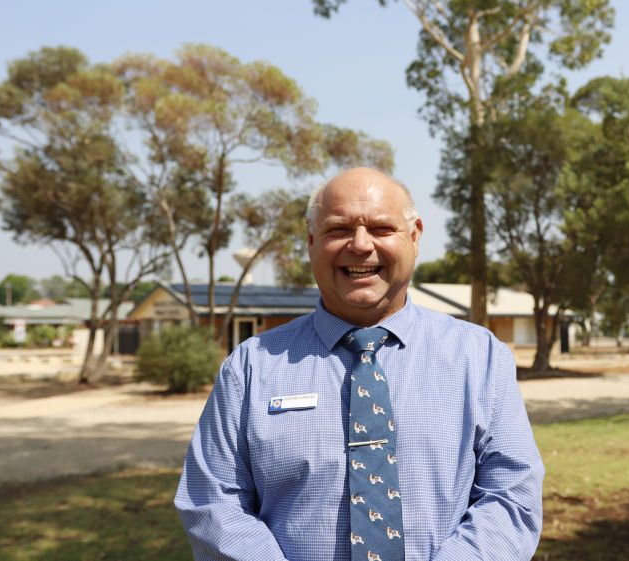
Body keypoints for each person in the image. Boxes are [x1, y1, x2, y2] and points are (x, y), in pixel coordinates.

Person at [175, 167, 544, 560]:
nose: (361, 245)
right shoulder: (250, 368)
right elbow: (214, 503)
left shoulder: (481, 358)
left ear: (415, 236)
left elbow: (511, 498)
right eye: (339, 229)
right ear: (311, 239)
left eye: (382, 228)